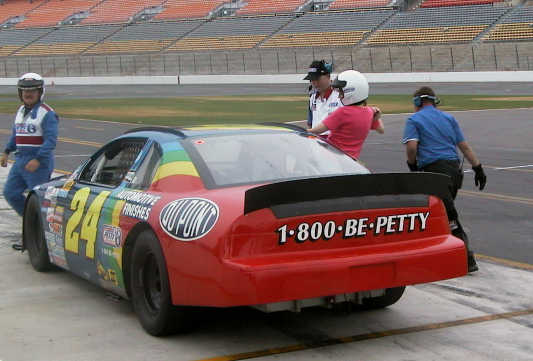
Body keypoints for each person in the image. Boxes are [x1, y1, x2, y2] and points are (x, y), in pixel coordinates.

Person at [402, 86, 486, 273]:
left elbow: (412, 147)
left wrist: (412, 166)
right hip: (454, 171)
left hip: (433, 174)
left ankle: (467, 258)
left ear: (417, 102)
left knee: (449, 218)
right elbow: (464, 147)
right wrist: (478, 168)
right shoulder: (449, 118)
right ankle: (435, 253)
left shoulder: (414, 119)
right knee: (436, 215)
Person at [1, 73, 58, 250]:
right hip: (20, 161)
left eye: (32, 90)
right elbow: (16, 135)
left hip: (38, 164)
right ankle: (31, 227)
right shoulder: (20, 111)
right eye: (24, 90)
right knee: (10, 193)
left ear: (40, 91)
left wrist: (38, 159)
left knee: (38, 201)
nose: (28, 94)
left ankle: (41, 239)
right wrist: (6, 151)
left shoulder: (47, 113)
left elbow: (51, 141)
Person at [308, 70, 384, 159]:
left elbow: (316, 130)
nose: (339, 96)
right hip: (351, 160)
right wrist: (376, 116)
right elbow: (381, 130)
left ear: (351, 91)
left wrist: (296, 131)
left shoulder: (342, 112)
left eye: (341, 92)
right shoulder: (370, 112)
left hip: (332, 157)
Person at [305, 60, 343, 133]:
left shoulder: (340, 96)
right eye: (311, 79)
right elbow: (310, 123)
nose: (314, 83)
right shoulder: (312, 98)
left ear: (328, 76)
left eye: (317, 79)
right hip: (316, 141)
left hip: (334, 141)